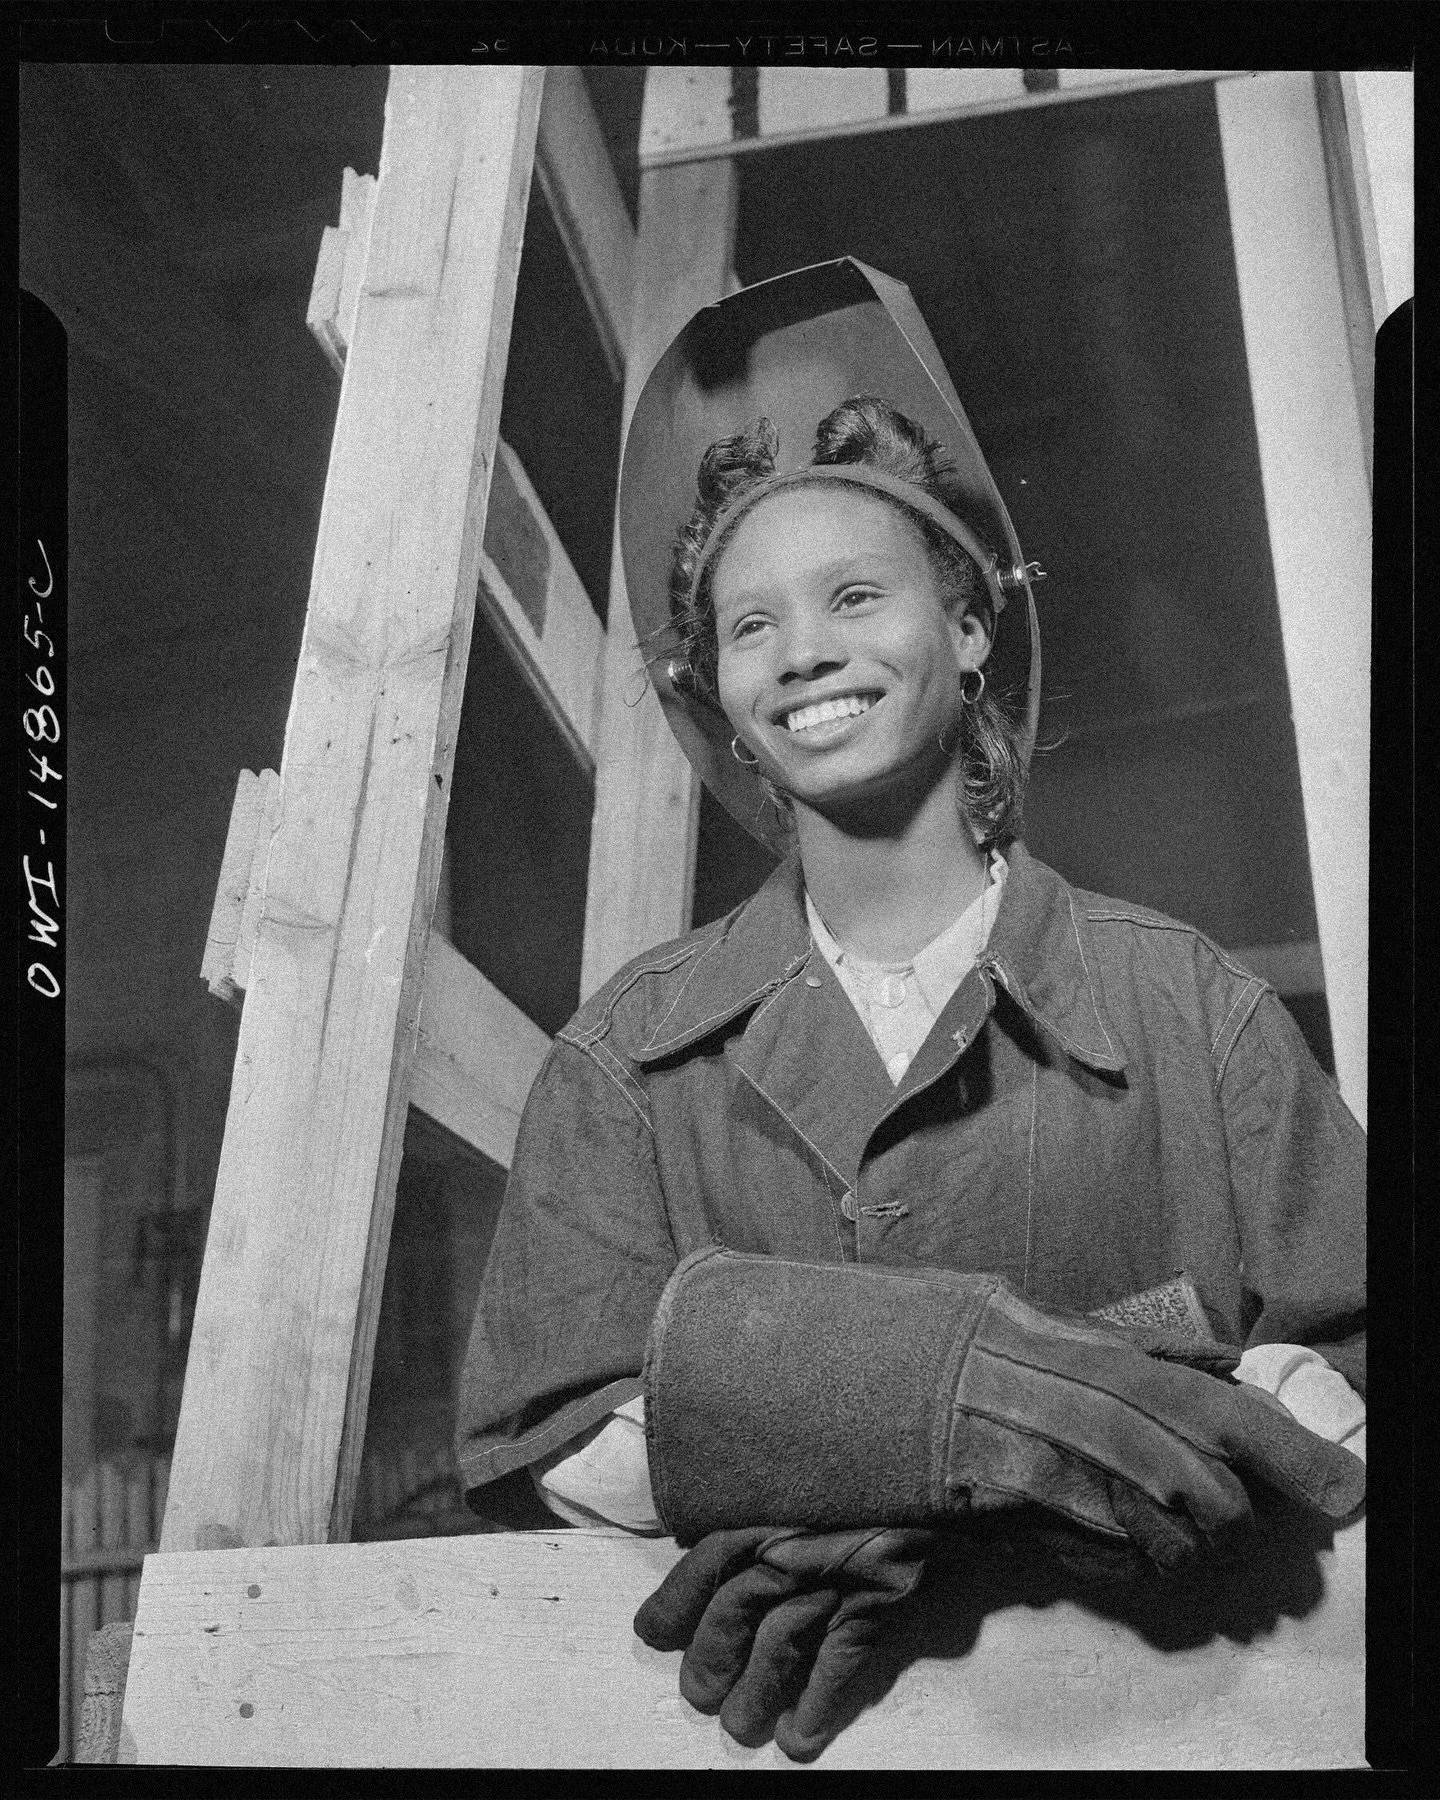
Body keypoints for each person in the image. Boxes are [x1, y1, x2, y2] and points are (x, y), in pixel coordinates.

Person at [455, 260, 1366, 1758]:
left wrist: (865, 1453)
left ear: (970, 631)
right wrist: (962, 1416)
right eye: (749, 628)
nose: (801, 651)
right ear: (722, 697)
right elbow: (560, 1444)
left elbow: (1343, 1406)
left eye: (855, 597)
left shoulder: (1192, 1010)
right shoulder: (623, 1064)